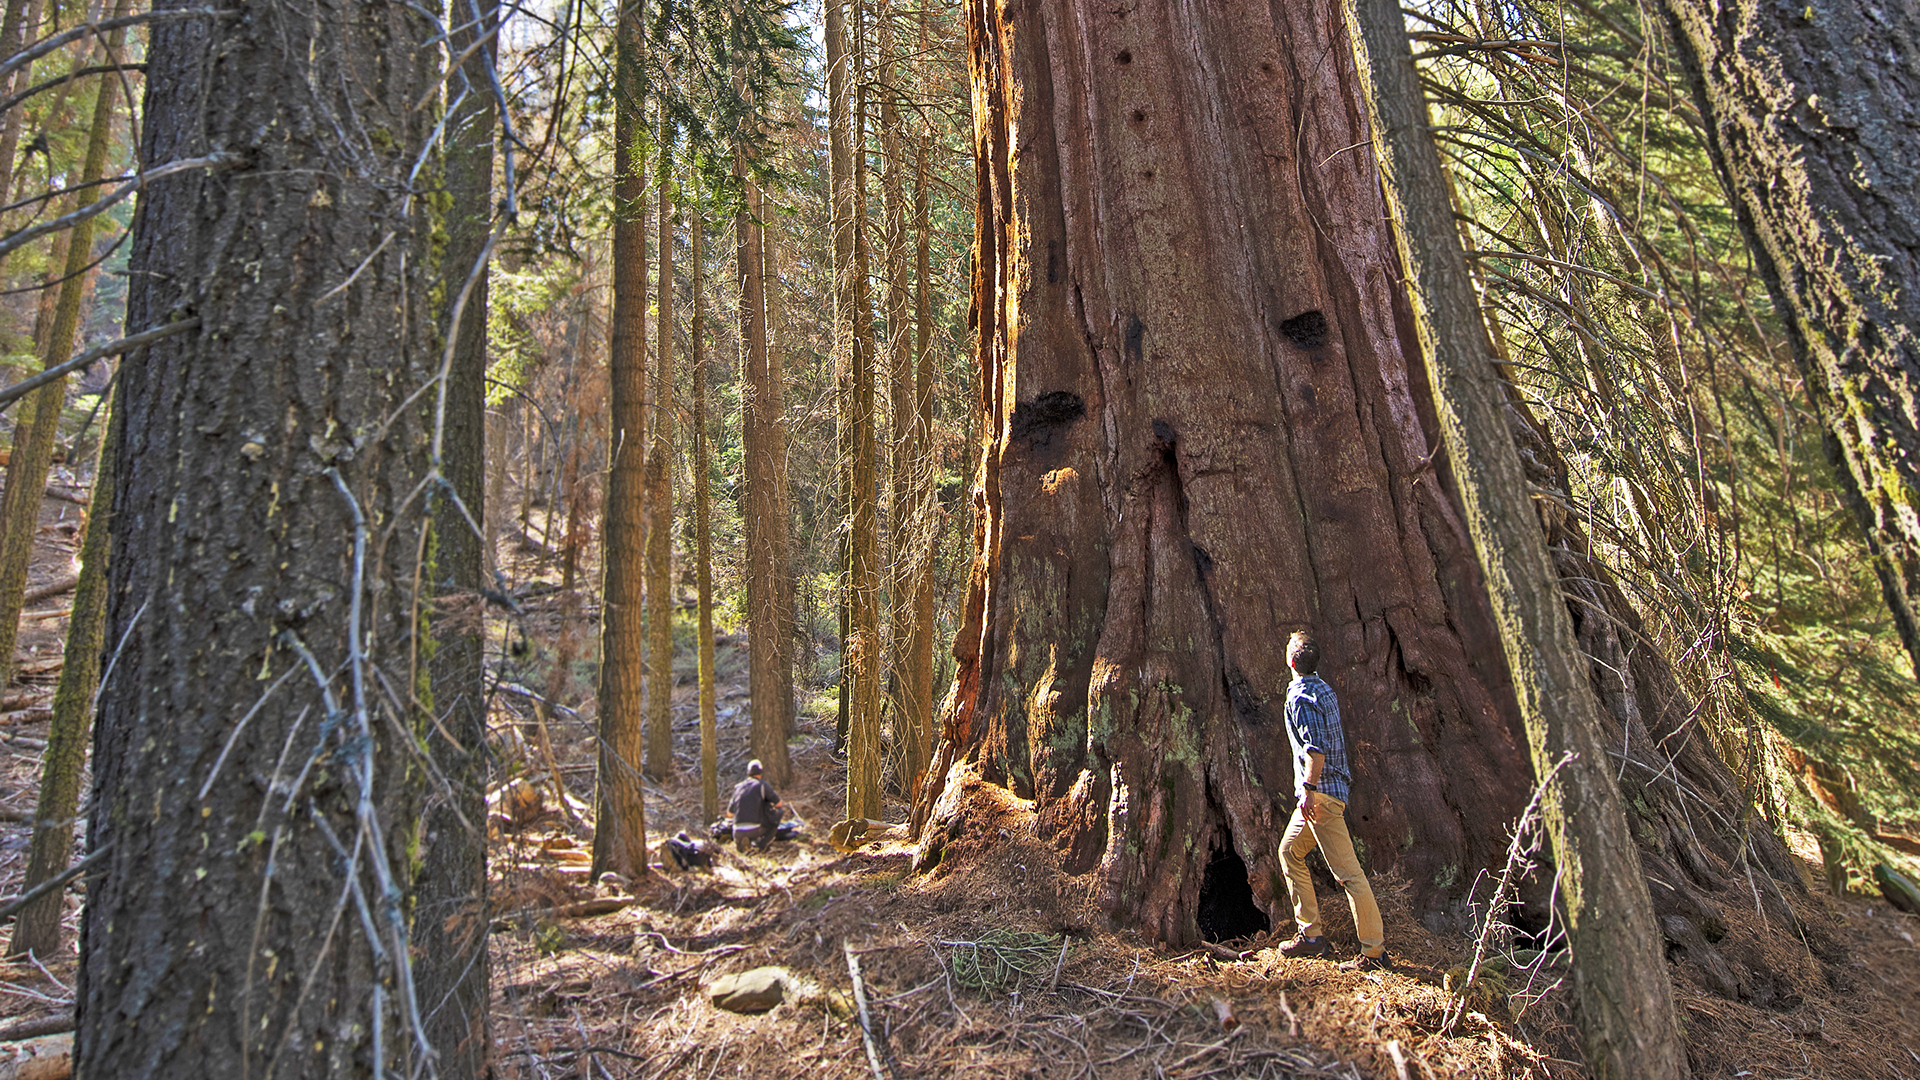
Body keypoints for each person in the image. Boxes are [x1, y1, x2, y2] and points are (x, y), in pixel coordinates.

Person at [1277, 631, 1389, 971]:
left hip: (1320, 797)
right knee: (1290, 852)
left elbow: (1315, 750)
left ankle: (1374, 952)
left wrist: (1308, 791)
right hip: (1328, 794)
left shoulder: (1301, 695)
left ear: (1291, 661)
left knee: (1349, 875)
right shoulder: (1323, 689)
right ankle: (1311, 935)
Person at [727, 759, 784, 853]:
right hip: (755, 829)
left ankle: (742, 844)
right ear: (760, 772)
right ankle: (761, 845)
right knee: (779, 813)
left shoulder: (738, 788)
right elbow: (779, 804)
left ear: (748, 773)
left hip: (737, 831)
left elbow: (729, 814)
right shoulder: (762, 785)